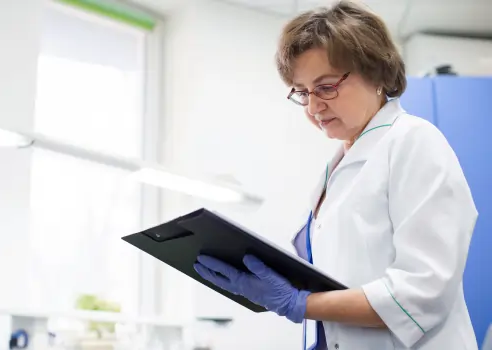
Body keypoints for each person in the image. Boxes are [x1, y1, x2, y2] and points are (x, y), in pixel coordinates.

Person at [193, 1, 479, 349]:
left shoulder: (413, 142)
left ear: (376, 73)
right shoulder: (338, 166)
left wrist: (299, 303)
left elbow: (422, 290)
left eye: (326, 87)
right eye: (302, 92)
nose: (313, 107)